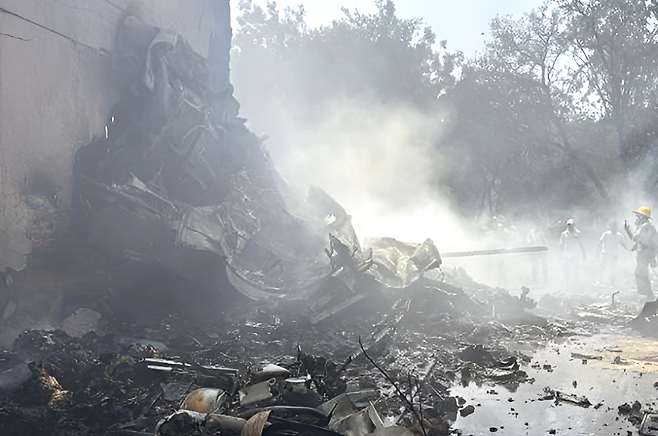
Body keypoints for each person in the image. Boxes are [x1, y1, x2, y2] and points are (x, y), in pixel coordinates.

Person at [624, 206, 658, 300]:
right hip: (645, 253)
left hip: (645, 253)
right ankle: (647, 295)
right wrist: (627, 230)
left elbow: (636, 238)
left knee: (640, 273)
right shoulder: (645, 226)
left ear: (642, 217)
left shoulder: (645, 226)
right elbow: (636, 240)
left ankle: (648, 295)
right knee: (641, 273)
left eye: (637, 216)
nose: (636, 219)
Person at [596, 221, 627, 286]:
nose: (614, 228)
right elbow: (600, 242)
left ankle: (612, 282)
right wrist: (596, 251)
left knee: (613, 269)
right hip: (606, 254)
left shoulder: (619, 235)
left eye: (615, 226)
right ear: (610, 227)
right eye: (612, 226)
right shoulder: (606, 234)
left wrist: (627, 251)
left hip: (614, 255)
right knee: (602, 267)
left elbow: (622, 244)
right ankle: (599, 280)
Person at [559, 218, 586, 286]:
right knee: (566, 269)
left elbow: (581, 244)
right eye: (568, 225)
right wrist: (560, 254)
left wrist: (584, 254)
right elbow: (561, 245)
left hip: (575, 254)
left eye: (571, 225)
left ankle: (575, 282)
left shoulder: (578, 233)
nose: (570, 226)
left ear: (574, 225)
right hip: (566, 254)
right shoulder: (564, 234)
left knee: (575, 269)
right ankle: (567, 283)